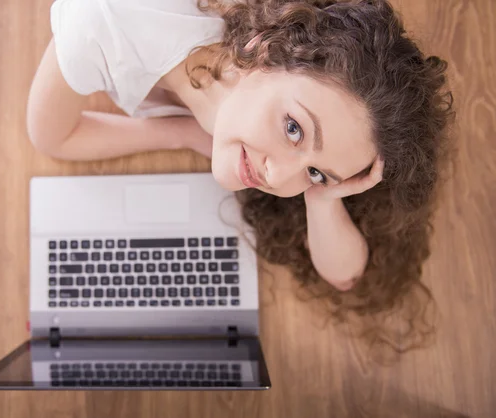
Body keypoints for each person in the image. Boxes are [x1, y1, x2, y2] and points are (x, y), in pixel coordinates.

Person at [27, 0, 455, 355]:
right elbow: (52, 137)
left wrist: (323, 198)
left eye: (316, 172)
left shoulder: (247, 94)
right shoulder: (99, 21)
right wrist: (177, 134)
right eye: (293, 129)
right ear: (266, 47)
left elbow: (345, 275)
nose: (281, 178)